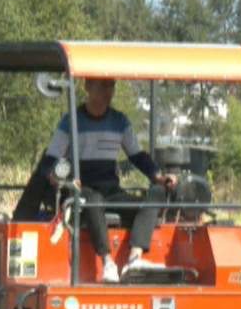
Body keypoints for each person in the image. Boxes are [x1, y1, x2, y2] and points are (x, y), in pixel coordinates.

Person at [30, 79, 180, 282]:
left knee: (155, 194)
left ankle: (134, 258)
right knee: (92, 199)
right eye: (102, 86)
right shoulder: (70, 121)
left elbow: (137, 156)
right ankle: (108, 262)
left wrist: (159, 177)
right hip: (81, 188)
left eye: (111, 86)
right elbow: (50, 160)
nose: (108, 92)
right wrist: (55, 178)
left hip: (111, 190)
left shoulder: (120, 121)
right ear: (87, 87)